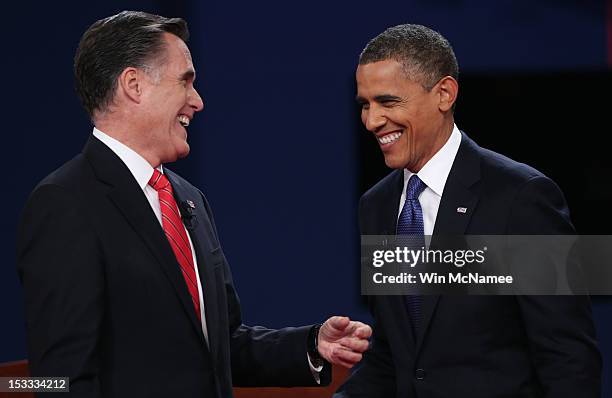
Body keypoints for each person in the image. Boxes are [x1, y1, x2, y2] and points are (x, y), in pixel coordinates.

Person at [16, 11, 371, 397]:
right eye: (186, 81)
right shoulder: (66, 202)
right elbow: (59, 379)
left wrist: (310, 345)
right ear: (133, 84)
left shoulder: (188, 198)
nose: (197, 101)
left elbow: (219, 348)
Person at [335, 24, 601, 397]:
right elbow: (398, 358)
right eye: (365, 104)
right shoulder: (376, 206)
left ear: (444, 94)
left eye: (388, 102)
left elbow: (568, 358)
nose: (372, 120)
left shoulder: (522, 198)